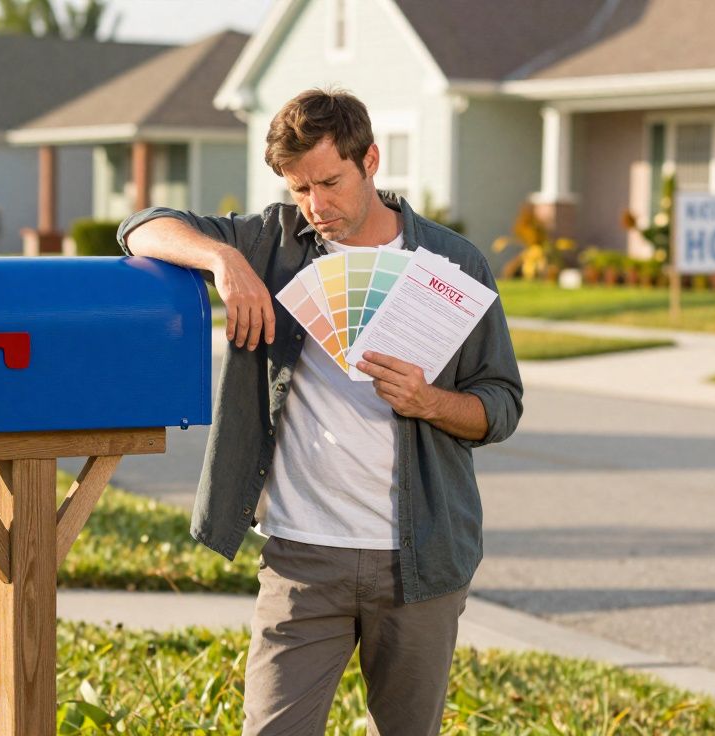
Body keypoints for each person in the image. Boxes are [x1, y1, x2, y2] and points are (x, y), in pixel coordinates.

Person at [116, 88, 523, 735]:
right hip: (301, 559)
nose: (316, 206)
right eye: (300, 189)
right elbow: (142, 226)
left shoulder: (452, 263)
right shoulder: (271, 245)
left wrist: (429, 401)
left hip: (419, 561)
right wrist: (225, 261)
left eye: (330, 183)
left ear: (371, 161)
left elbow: (501, 404)